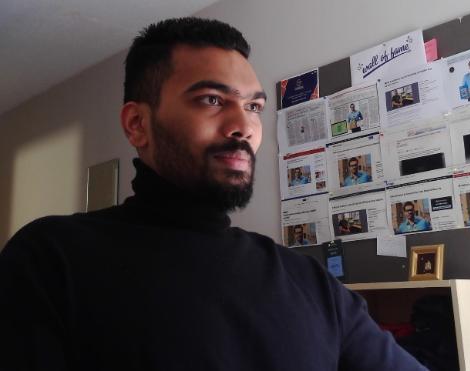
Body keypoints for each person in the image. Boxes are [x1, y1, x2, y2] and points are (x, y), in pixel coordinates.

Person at [0, 18, 426, 371]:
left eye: (255, 106)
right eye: (211, 99)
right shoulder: (51, 259)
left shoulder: (308, 281)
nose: (244, 126)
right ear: (136, 125)